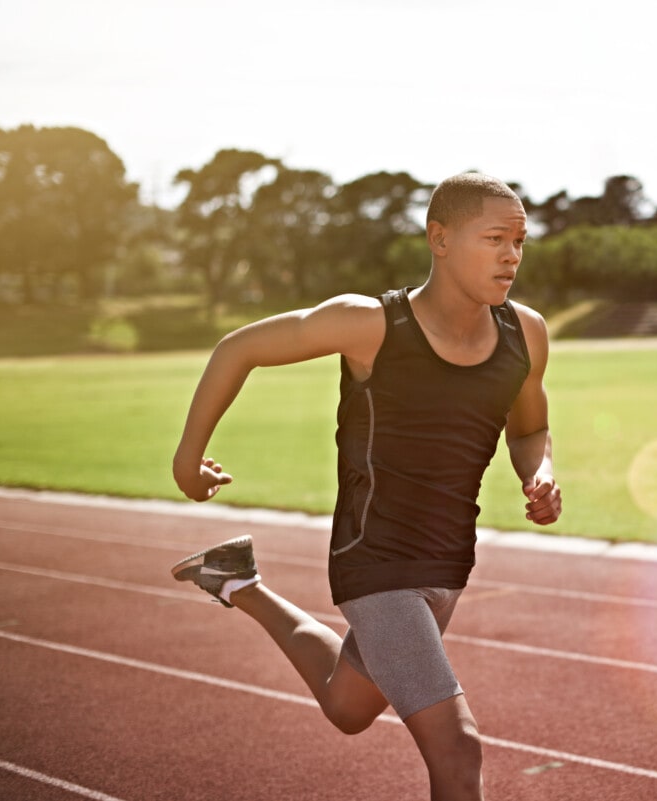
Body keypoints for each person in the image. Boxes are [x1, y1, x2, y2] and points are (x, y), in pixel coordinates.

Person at [169, 172, 562, 801]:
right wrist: (189, 460)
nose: (512, 256)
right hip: (375, 561)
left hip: (449, 561)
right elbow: (239, 347)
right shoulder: (371, 325)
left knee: (348, 706)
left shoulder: (525, 333)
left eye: (520, 241)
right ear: (440, 238)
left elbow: (530, 428)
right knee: (457, 752)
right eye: (494, 239)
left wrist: (538, 474)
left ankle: (237, 580)